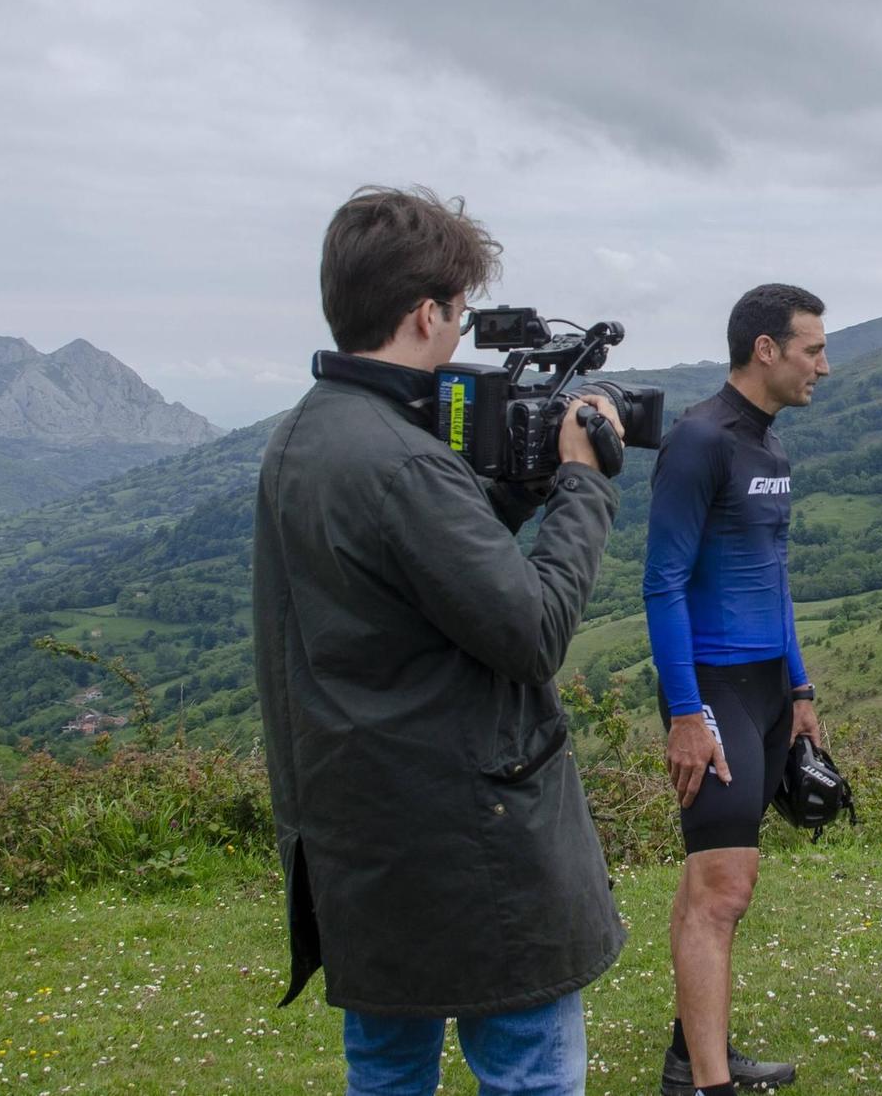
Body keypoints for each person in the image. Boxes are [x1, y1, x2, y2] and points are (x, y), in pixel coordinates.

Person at [252, 186, 626, 1096]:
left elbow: (411, 575)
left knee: (385, 1071)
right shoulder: (406, 459)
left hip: (362, 836)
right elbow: (534, 632)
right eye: (457, 314)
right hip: (471, 842)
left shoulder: (303, 436)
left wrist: (512, 493)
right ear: (426, 313)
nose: (459, 334)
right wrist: (582, 485)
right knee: (530, 1069)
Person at [643, 284, 829, 1096]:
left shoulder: (771, 448)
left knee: (708, 886)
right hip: (711, 686)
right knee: (725, 888)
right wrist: (687, 711)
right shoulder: (699, 440)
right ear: (765, 348)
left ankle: (692, 1057)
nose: (824, 363)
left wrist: (799, 685)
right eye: (812, 348)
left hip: (764, 692)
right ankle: (711, 1086)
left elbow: (776, 577)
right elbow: (661, 584)